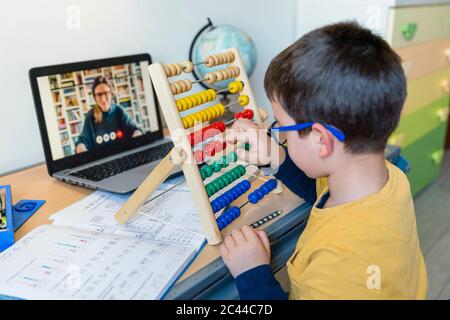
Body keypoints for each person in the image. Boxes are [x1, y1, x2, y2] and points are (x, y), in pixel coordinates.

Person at [220, 22, 428, 299]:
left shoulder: (338, 268)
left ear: (321, 139)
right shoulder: (387, 180)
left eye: (281, 127)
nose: (278, 134)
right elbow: (323, 195)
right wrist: (278, 157)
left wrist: (253, 274)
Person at [75, 76, 142, 153]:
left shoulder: (119, 110)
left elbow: (135, 130)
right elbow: (83, 140)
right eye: (99, 95)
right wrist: (80, 148)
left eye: (106, 93)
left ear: (111, 94)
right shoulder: (90, 115)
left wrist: (137, 136)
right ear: (95, 97)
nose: (103, 99)